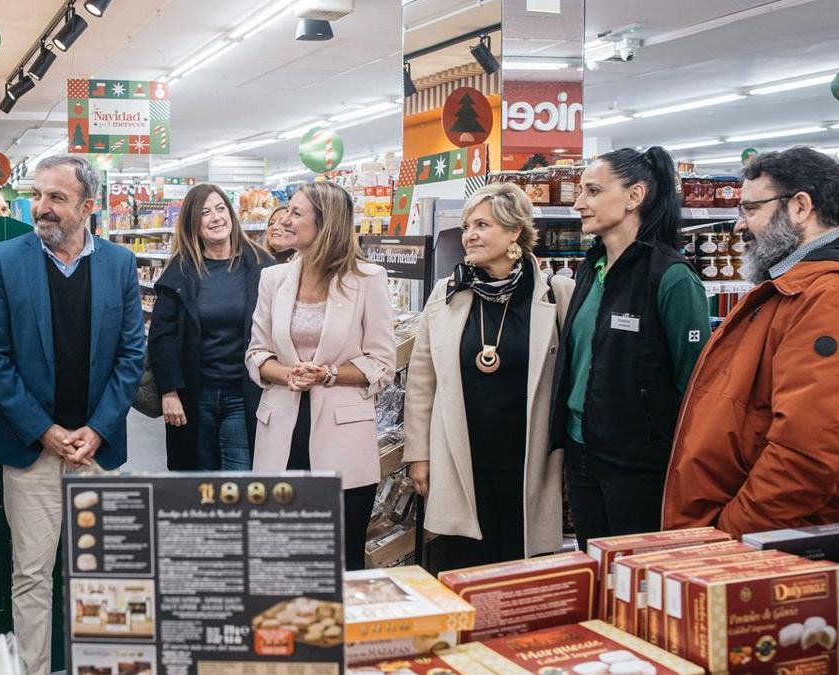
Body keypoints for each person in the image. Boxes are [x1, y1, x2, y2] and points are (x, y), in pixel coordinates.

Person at [0, 154, 143, 674]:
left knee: (100, 576)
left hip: (97, 449)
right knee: (31, 574)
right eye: (37, 195)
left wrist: (97, 429)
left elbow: (131, 356)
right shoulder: (5, 260)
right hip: (32, 451)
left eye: (57, 198)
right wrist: (45, 431)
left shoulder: (119, 263)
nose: (41, 208)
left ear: (88, 206)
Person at [663, 147, 839, 536]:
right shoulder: (795, 286)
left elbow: (809, 451)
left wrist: (735, 533)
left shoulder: (834, 298)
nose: (739, 226)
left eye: (750, 209)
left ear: (800, 206)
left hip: (799, 546)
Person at [549, 146, 710, 549]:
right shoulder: (591, 267)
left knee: (634, 578)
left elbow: (695, 383)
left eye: (592, 191)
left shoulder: (671, 278)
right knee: (596, 568)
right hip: (581, 449)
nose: (579, 203)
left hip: (638, 462)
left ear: (634, 196)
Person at [405, 183, 572, 568]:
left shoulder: (555, 294)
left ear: (514, 231)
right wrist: (418, 455)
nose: (470, 235)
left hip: (529, 458)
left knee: (520, 568)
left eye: (482, 224)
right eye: (466, 226)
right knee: (461, 564)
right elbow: (421, 381)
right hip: (460, 454)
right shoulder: (447, 293)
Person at [246, 181, 395, 571]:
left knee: (341, 558)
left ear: (325, 222)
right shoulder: (273, 279)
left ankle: (344, 630)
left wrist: (329, 374)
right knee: (281, 554)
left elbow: (382, 363)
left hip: (343, 435)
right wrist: (287, 374)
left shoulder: (367, 279)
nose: (284, 220)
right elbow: (256, 353)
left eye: (296, 213)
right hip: (281, 430)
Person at [148, 184, 274, 471]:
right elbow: (162, 335)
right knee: (199, 481)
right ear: (193, 222)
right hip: (195, 393)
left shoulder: (260, 264)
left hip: (245, 392)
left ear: (231, 214)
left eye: (220, 209)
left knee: (241, 477)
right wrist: (168, 392)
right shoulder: (180, 270)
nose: (215, 217)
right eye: (205, 212)